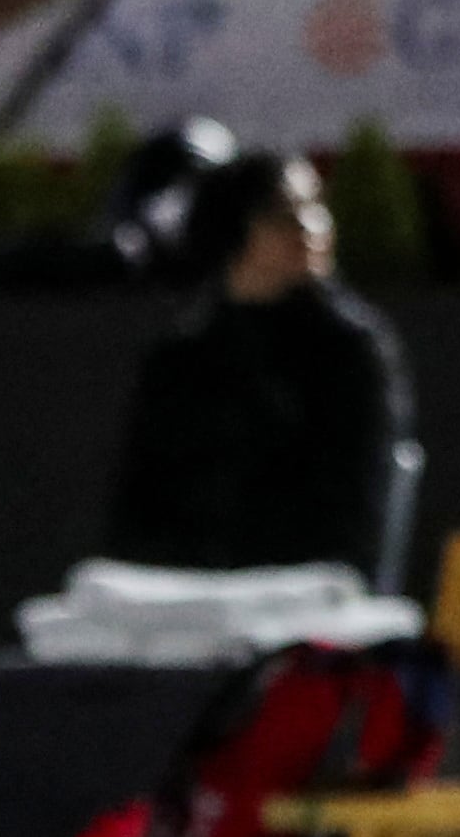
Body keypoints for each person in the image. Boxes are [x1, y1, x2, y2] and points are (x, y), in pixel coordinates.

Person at [103, 152, 420, 585]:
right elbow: (138, 506)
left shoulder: (350, 349)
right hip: (186, 597)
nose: (307, 229)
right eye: (281, 215)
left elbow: (355, 512)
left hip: (301, 590)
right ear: (231, 228)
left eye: (314, 208)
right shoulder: (181, 357)